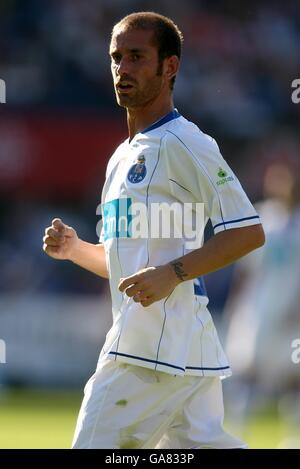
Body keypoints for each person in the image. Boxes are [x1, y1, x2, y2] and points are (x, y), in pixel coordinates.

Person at [43, 12, 265, 449]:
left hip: (150, 349)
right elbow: (120, 264)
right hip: (186, 349)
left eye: (137, 57)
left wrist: (173, 273)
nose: (123, 69)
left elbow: (248, 232)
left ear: (170, 67)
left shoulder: (187, 142)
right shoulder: (121, 157)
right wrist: (74, 250)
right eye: (116, 58)